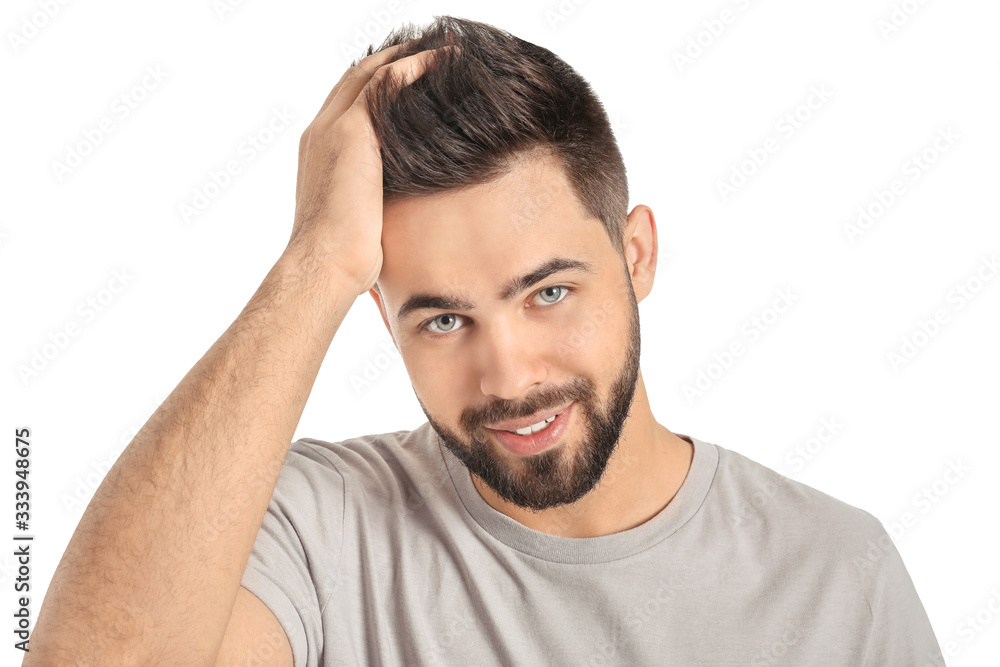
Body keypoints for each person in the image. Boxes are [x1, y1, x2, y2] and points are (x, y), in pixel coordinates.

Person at [25, 15, 943, 667]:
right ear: (384, 320)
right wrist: (316, 262)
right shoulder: (319, 528)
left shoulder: (836, 574)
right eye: (444, 318)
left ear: (637, 253)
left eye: (547, 291)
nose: (507, 373)